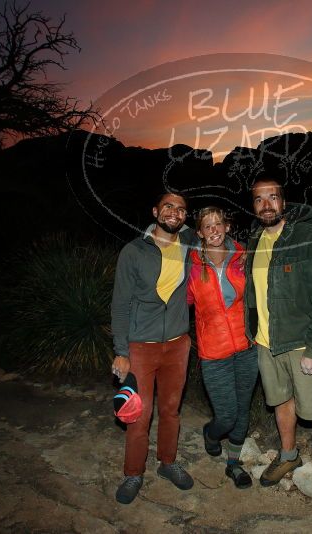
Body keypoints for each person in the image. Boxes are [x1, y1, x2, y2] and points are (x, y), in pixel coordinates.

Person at [244, 178, 312, 530]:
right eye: (259, 200)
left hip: (304, 344)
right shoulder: (254, 241)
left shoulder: (308, 236)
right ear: (254, 206)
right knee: (281, 402)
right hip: (266, 343)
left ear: (284, 202)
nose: (266, 205)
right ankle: (288, 456)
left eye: (273, 197)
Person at [110, 191, 196, 505]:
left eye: (182, 209)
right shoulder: (133, 252)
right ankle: (134, 473)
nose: (175, 213)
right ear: (156, 210)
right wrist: (121, 351)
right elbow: (119, 305)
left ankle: (168, 463)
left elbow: (217, 232)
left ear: (186, 217)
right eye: (169, 206)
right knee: (138, 414)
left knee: (171, 410)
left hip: (177, 344)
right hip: (140, 347)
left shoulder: (188, 242)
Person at [186, 206, 258, 488]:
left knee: (243, 409)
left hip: (246, 347)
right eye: (207, 226)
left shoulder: (243, 257)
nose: (214, 229)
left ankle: (234, 464)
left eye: (219, 224)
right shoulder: (191, 264)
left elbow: (259, 293)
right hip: (213, 351)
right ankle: (211, 434)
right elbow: (183, 305)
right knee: (226, 415)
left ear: (227, 226)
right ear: (200, 232)